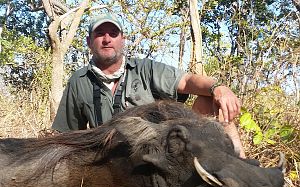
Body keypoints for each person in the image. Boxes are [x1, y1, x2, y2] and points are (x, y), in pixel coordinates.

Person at [52, 12, 245, 157]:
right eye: (100, 33)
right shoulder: (79, 80)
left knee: (208, 100)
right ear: (89, 42)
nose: (107, 39)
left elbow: (187, 80)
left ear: (122, 40)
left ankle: (242, 168)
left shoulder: (145, 68)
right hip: (111, 160)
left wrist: (218, 88)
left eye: (113, 33)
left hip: (159, 152)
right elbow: (69, 136)